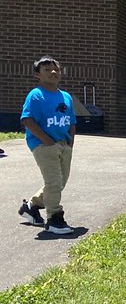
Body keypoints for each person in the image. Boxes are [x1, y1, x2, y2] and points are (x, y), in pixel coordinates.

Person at [19, 56, 77, 235]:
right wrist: (45, 140)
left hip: (63, 144)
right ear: (37, 74)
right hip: (44, 145)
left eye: (56, 69)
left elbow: (72, 121)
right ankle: (54, 219)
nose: (53, 72)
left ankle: (32, 205)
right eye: (47, 69)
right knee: (53, 182)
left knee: (60, 183)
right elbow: (27, 120)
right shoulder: (36, 95)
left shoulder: (65, 96)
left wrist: (70, 141)